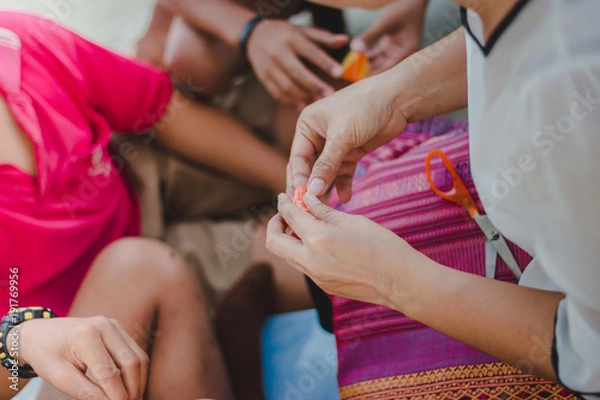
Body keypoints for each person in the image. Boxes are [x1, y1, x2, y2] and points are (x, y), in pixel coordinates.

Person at [267, 0, 600, 398]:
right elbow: (515, 30)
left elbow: (591, 356)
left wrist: (391, 282)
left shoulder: (564, 99)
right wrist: (395, 94)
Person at [0, 10, 295, 399]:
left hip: (134, 180)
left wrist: (290, 181)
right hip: (101, 312)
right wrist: (18, 343)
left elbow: (158, 106)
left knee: (304, 130)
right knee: (309, 270)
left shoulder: (20, 44)